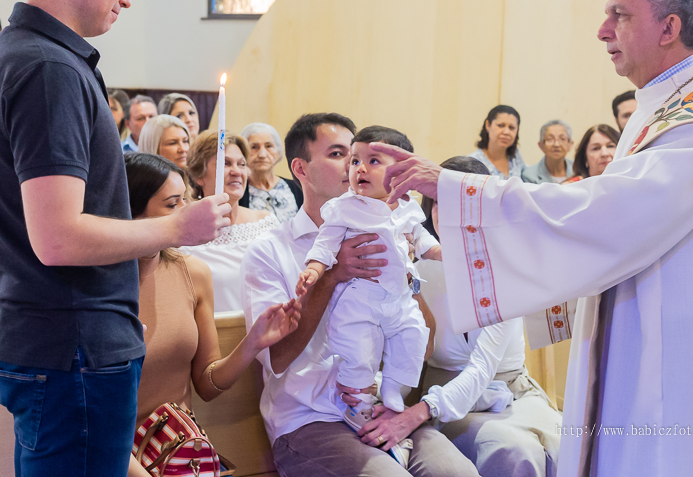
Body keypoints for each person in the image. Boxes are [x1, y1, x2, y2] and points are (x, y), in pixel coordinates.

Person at [373, 0, 693, 476]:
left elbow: (606, 216)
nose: (602, 30)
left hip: (669, 361)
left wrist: (460, 189)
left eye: (619, 15)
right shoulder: (663, 109)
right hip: (644, 338)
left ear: (669, 28)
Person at [0, 0, 231, 476]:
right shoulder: (50, 68)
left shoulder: (25, 54)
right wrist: (176, 227)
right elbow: (58, 238)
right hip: (73, 348)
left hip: (60, 342)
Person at [240, 112, 480, 477]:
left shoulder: (391, 227)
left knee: (458, 473)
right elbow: (278, 357)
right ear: (300, 169)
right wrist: (334, 274)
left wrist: (404, 273)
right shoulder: (269, 250)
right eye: (342, 155)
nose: (357, 167)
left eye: (366, 157)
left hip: (379, 406)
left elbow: (425, 340)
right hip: (310, 419)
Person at [123, 152, 300, 477]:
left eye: (186, 200)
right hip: (112, 454)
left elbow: (207, 384)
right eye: (173, 204)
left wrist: (252, 343)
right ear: (130, 211)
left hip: (177, 454)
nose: (189, 211)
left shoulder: (192, 272)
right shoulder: (99, 285)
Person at [296, 126, 441, 453]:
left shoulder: (406, 207)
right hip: (360, 299)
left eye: (373, 161)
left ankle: (392, 391)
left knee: (414, 336)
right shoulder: (345, 207)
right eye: (354, 160)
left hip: (399, 299)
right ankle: (357, 403)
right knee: (358, 352)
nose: (360, 168)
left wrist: (438, 252)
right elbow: (326, 243)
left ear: (400, 172)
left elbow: (421, 239)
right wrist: (314, 269)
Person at [419, 155, 562, 477]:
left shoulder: (505, 267)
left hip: (514, 392)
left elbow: (485, 366)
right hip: (448, 399)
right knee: (513, 450)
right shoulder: (416, 272)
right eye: (441, 202)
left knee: (569, 443)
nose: (451, 214)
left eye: (463, 203)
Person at [181, 129, 279, 312]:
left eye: (241, 164)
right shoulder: (185, 233)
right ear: (199, 175)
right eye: (225, 164)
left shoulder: (266, 223)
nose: (236, 171)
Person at [242, 122, 303, 223]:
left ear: (278, 152)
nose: (262, 154)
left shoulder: (297, 187)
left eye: (268, 146)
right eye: (254, 147)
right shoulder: (238, 193)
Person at [467, 105, 525, 179]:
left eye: (511, 128)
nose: (506, 132)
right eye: (501, 125)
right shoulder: (473, 163)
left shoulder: (516, 157)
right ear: (488, 125)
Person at [521, 120, 574, 184]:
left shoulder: (579, 169)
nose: (556, 144)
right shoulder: (529, 176)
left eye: (562, 139)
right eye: (550, 139)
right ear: (541, 145)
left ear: (570, 144)